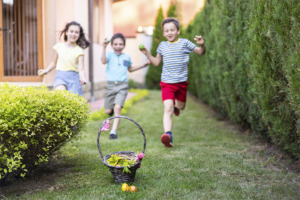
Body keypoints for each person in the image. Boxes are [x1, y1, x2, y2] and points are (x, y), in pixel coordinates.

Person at [140, 17, 205, 147]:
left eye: (172, 30)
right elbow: (156, 62)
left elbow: (201, 52)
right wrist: (147, 53)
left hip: (181, 83)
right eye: (167, 30)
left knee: (181, 106)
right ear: (163, 33)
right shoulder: (162, 46)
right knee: (167, 108)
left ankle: (177, 106)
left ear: (178, 31)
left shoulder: (185, 43)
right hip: (167, 83)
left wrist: (202, 44)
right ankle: (168, 135)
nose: (169, 33)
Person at [101, 33, 150, 139]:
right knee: (108, 111)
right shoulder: (109, 54)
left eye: (120, 44)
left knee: (118, 107)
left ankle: (113, 132)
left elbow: (130, 69)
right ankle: (112, 111)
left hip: (122, 86)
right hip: (110, 85)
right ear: (112, 45)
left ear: (124, 45)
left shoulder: (126, 57)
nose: (118, 46)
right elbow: (103, 61)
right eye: (115, 44)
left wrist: (143, 65)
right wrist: (103, 47)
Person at [38, 21, 90, 96]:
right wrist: (46, 70)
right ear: (66, 32)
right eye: (71, 31)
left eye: (76, 32)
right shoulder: (59, 47)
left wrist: (83, 78)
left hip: (74, 78)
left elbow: (81, 69)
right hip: (60, 76)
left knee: (73, 102)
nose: (73, 34)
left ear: (79, 35)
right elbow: (53, 63)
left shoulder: (79, 50)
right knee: (61, 94)